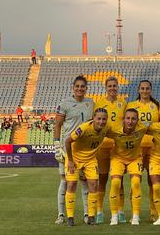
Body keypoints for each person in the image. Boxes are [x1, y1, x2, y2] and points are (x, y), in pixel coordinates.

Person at [53, 75, 94, 225]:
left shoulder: (91, 103)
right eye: (77, 86)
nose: (80, 89)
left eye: (82, 86)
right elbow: (57, 125)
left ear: (86, 88)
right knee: (65, 181)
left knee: (85, 181)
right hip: (67, 149)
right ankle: (61, 214)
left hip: (85, 149)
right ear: (73, 87)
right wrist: (57, 145)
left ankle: (86, 214)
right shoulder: (64, 103)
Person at [64, 108, 109, 226]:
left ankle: (91, 216)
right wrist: (70, 160)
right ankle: (70, 217)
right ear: (93, 118)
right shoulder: (83, 128)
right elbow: (68, 141)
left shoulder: (106, 129)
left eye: (104, 119)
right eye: (99, 118)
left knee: (94, 185)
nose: (101, 121)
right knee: (72, 184)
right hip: (75, 159)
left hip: (90, 160)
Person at [93, 76, 127, 224]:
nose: (112, 88)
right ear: (106, 88)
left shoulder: (123, 103)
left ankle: (120, 211)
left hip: (118, 146)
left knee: (118, 180)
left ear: (117, 87)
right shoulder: (99, 103)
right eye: (110, 86)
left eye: (115, 86)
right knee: (102, 178)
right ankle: (99, 211)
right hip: (102, 146)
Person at [107, 108, 147, 226]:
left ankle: (135, 216)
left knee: (135, 182)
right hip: (117, 158)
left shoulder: (143, 129)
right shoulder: (114, 130)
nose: (130, 121)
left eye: (133, 119)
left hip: (135, 159)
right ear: (123, 119)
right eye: (128, 118)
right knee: (115, 183)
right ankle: (114, 216)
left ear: (137, 120)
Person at [127, 80, 160, 221]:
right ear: (139, 90)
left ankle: (154, 212)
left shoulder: (157, 106)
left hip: (153, 147)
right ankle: (136, 213)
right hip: (137, 147)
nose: (145, 91)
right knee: (135, 180)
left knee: (152, 181)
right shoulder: (132, 106)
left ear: (150, 90)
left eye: (147, 88)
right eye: (142, 88)